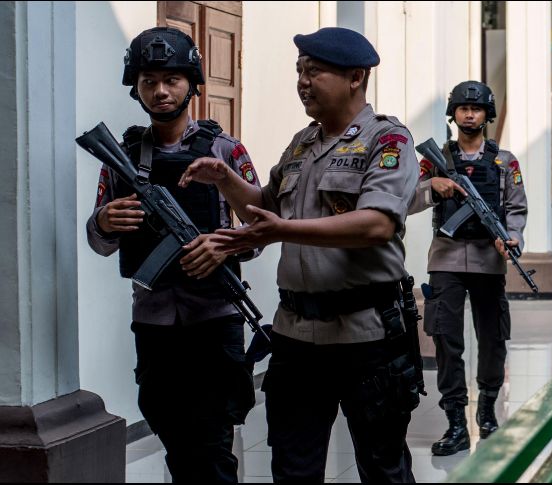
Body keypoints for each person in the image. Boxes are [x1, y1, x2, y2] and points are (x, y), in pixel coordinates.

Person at [178, 27, 421, 483]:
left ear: (355, 76)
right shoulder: (301, 144)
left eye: (314, 71)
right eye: (299, 72)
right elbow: (267, 208)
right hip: (296, 336)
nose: (302, 82)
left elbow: (376, 224)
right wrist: (225, 179)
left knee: (383, 467)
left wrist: (281, 231)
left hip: (366, 336)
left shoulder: (388, 142)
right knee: (293, 467)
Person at [85, 27, 257, 482]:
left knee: (214, 440)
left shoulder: (227, 151)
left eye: (171, 80)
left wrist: (222, 244)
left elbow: (260, 231)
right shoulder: (120, 157)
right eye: (148, 81)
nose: (160, 91)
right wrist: (104, 223)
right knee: (172, 431)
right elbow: (100, 243)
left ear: (192, 82)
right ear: (136, 88)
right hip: (155, 318)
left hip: (216, 315)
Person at [408, 81, 528, 456]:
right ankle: (456, 423)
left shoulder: (504, 161)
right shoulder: (434, 159)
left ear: (487, 115)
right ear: (454, 114)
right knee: (446, 339)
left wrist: (511, 239)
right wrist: (434, 186)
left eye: (476, 109)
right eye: (463, 109)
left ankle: (488, 413)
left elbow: (516, 208)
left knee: (492, 337)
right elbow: (406, 198)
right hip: (445, 257)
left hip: (488, 260)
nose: (470, 114)